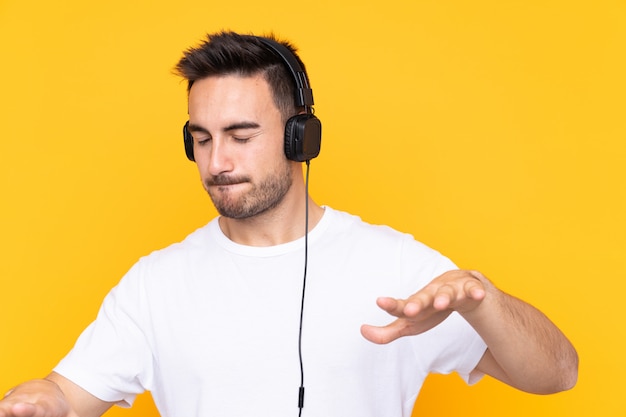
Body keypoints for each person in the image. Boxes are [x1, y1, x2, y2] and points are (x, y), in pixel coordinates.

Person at [0, 31, 578, 417]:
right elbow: (67, 394)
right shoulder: (155, 283)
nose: (216, 163)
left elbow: (558, 374)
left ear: (302, 136)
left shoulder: (398, 267)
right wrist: (42, 400)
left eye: (241, 136)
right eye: (200, 139)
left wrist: (483, 300)